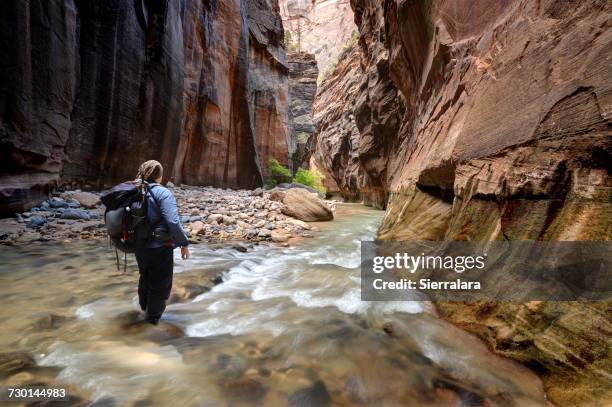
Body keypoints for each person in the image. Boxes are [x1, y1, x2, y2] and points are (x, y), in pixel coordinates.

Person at [134, 160, 190, 324]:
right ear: (158, 176)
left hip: (139, 245)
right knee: (160, 285)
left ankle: (144, 311)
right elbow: (173, 222)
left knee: (145, 277)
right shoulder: (162, 192)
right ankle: (151, 322)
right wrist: (184, 244)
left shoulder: (136, 190)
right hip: (159, 247)